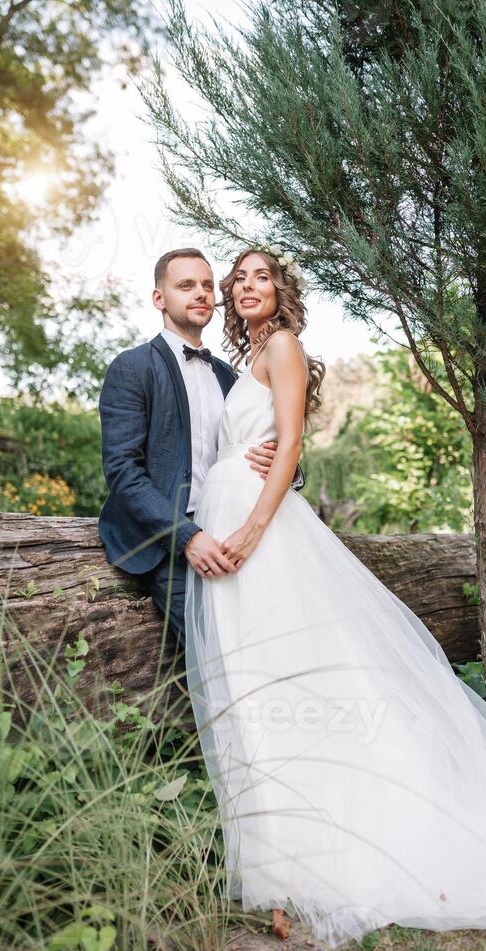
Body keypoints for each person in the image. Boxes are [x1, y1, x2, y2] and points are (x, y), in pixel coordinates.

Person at [183, 245, 486, 948]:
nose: (248, 287)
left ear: (282, 292)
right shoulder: (239, 362)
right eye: (238, 279)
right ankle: (279, 874)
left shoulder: (282, 344)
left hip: (261, 536)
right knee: (251, 693)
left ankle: (305, 870)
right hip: (226, 524)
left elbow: (288, 446)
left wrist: (251, 526)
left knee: (283, 683)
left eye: (262, 277)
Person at [97, 248, 305, 653]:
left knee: (272, 642)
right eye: (186, 285)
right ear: (160, 298)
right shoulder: (132, 366)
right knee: (219, 654)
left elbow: (271, 440)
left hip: (232, 529)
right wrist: (187, 537)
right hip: (166, 541)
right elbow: (122, 470)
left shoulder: (230, 375)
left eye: (208, 286)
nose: (200, 294)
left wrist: (290, 470)